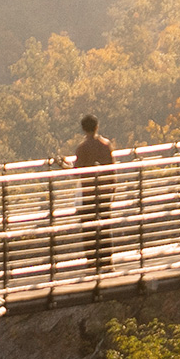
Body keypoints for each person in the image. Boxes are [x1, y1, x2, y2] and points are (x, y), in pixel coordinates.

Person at [69, 115, 115, 270]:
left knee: (89, 229)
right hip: (104, 192)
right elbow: (111, 169)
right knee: (104, 227)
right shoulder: (106, 145)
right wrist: (112, 188)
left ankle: (93, 263)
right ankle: (107, 262)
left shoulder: (82, 148)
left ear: (83, 128)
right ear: (97, 126)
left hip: (88, 193)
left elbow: (76, 172)